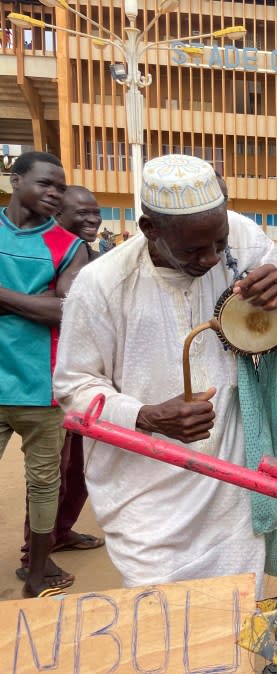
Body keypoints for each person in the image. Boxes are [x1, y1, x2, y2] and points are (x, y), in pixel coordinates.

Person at [54, 154, 277, 597]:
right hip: (146, 498)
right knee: (161, 619)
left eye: (218, 243)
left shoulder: (242, 238)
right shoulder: (101, 285)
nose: (212, 258)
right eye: (194, 250)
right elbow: (74, 386)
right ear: (149, 229)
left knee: (234, 609)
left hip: (230, 482)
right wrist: (147, 416)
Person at [1, 151, 88, 598]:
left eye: (60, 186)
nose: (54, 194)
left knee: (44, 486)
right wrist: (31, 303)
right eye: (45, 184)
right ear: (15, 180)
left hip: (42, 388)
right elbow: (48, 305)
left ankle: (36, 574)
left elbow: (65, 310)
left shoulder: (69, 245)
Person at [17, 186, 105, 580]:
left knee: (79, 470)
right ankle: (33, 554)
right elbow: (63, 311)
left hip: (94, 381)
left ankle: (62, 531)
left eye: (96, 213)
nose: (92, 220)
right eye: (81, 213)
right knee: (51, 472)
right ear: (57, 216)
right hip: (49, 381)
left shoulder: (93, 255)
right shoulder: (54, 253)